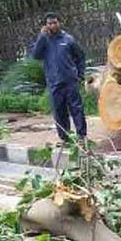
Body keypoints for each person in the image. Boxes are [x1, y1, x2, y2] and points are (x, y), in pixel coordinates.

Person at [30, 12, 87, 144]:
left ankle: (81, 136)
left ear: (59, 23)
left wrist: (80, 74)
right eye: (50, 23)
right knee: (59, 110)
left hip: (70, 81)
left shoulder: (68, 39)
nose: (52, 25)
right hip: (54, 82)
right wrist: (41, 37)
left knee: (76, 108)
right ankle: (65, 138)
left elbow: (80, 57)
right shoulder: (44, 40)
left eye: (55, 22)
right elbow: (35, 56)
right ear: (46, 25)